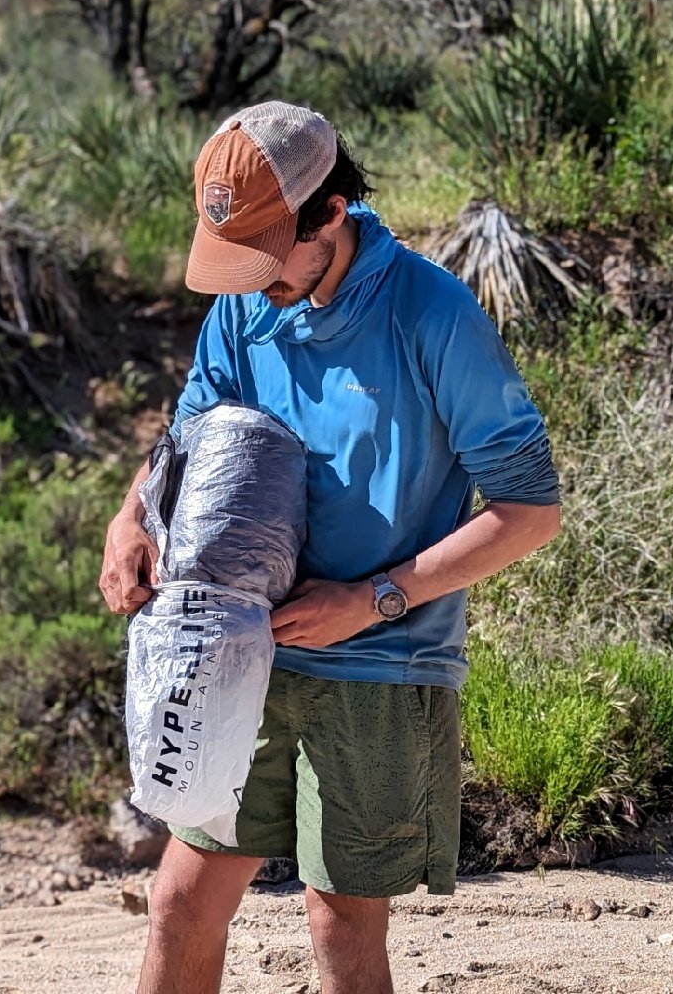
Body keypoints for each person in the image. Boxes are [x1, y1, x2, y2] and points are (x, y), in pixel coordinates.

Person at [98, 101, 562, 994]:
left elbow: (529, 510)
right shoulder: (245, 310)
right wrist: (132, 518)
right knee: (179, 904)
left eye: (268, 260)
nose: (252, 283)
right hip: (243, 652)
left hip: (383, 667)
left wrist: (373, 599)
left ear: (331, 215)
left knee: (339, 924)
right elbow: (190, 436)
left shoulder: (432, 314)